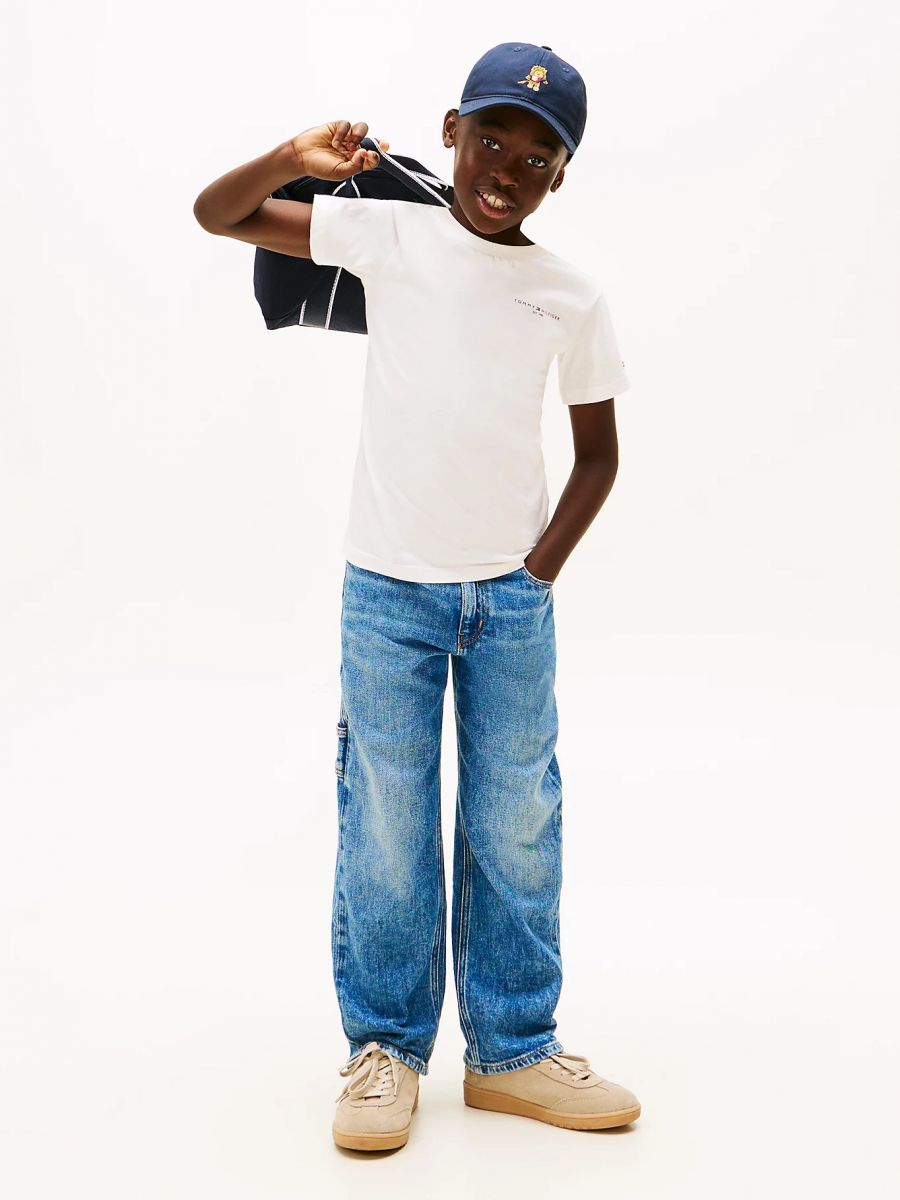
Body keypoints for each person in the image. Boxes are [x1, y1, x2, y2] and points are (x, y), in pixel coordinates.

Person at [193, 41, 641, 1153]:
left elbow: (598, 458)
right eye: (492, 139)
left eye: (537, 157)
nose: (508, 169)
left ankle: (514, 1051)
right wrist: (295, 156)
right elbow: (217, 215)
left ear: (562, 176)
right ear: (451, 134)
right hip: (388, 591)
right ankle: (386, 1048)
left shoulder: (569, 295)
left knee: (517, 821)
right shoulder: (392, 234)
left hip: (509, 606)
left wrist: (535, 573)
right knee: (387, 822)